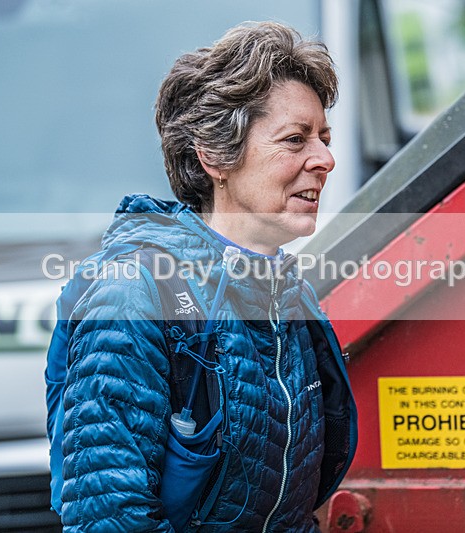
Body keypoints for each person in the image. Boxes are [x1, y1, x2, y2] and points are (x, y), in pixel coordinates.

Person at [50, 21, 357, 532]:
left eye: (323, 138)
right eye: (294, 139)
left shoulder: (287, 297)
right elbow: (108, 519)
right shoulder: (135, 295)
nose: (325, 159)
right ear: (214, 154)